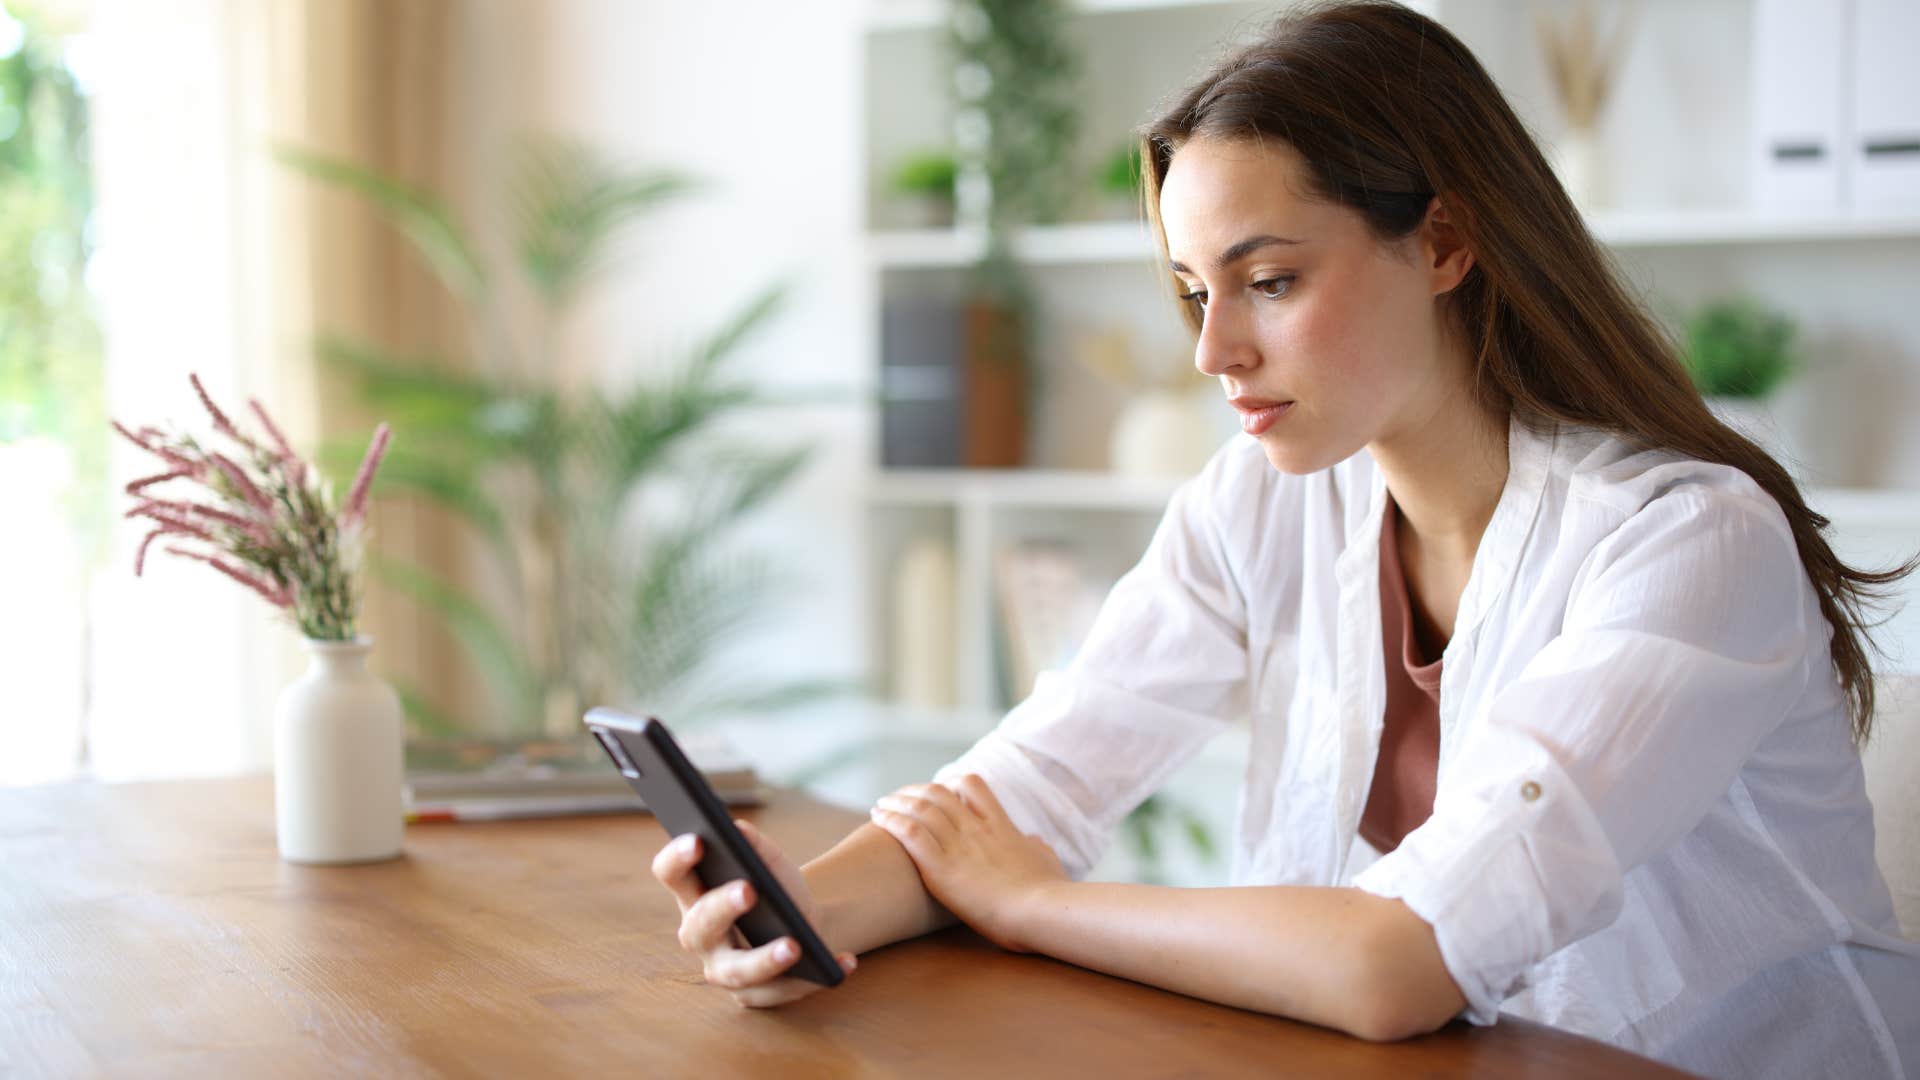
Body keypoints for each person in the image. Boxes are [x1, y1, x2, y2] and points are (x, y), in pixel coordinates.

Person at [650, 2, 1919, 1074]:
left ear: (1444, 239)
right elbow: (1023, 793)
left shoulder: (1687, 544)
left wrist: (1038, 906)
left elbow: (1395, 964)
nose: (1214, 353)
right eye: (1198, 291)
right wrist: (801, 915)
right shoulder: (1263, 499)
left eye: (1269, 282)